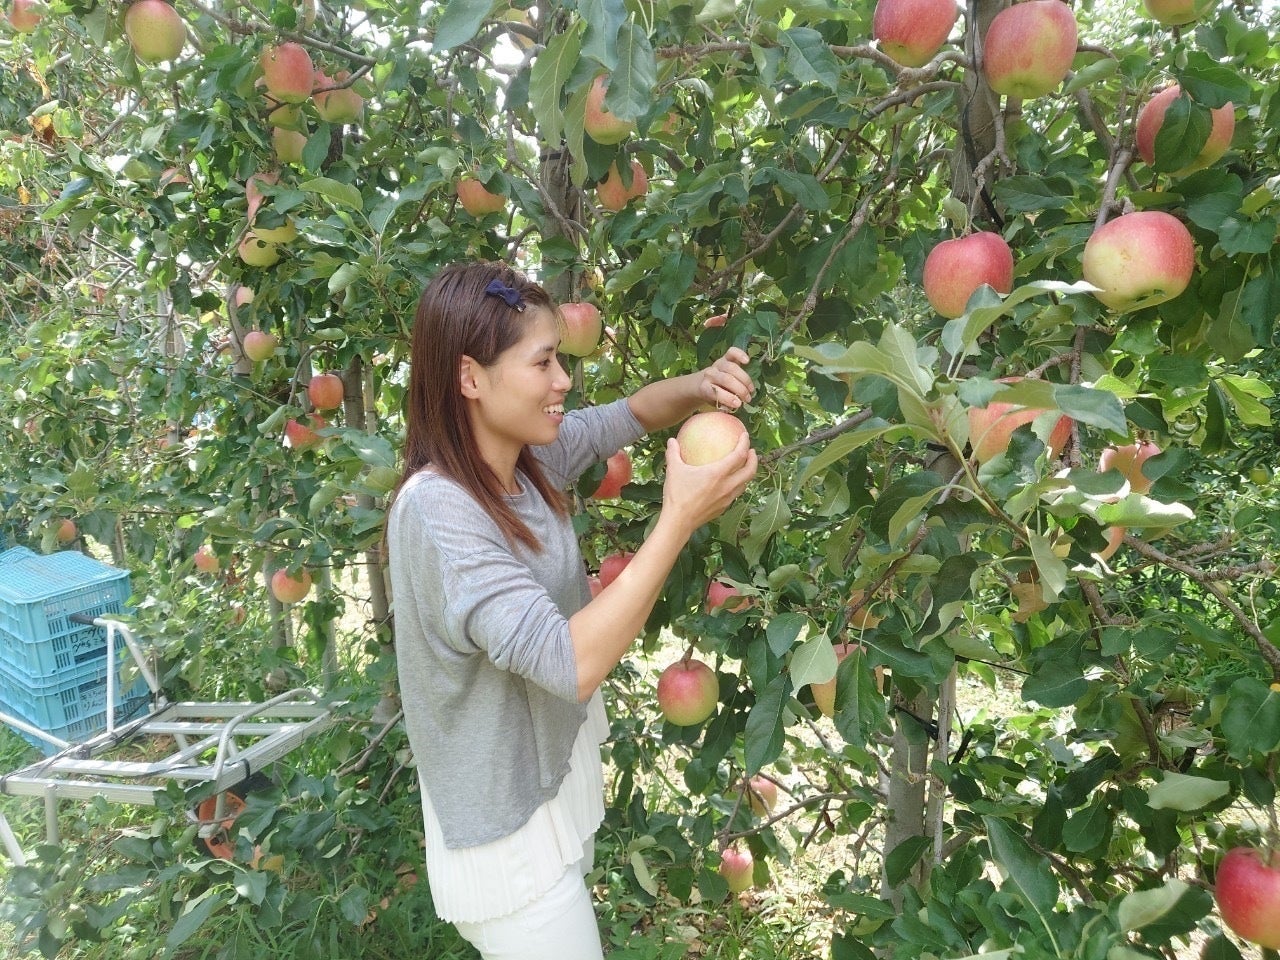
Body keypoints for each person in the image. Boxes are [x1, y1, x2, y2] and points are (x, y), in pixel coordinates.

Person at [386, 260, 757, 960]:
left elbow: (629, 415)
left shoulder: (524, 465)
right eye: (543, 362)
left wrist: (700, 386)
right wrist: (678, 518)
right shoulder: (439, 510)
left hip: (547, 774)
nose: (563, 380)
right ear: (470, 377)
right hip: (506, 831)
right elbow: (569, 662)